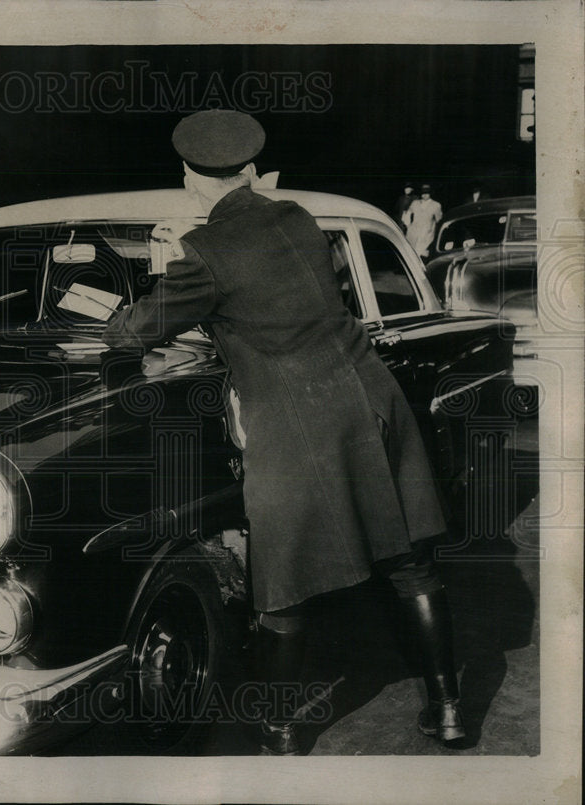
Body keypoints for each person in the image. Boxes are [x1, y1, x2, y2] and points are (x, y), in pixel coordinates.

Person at [102, 110, 465, 755]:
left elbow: (138, 331)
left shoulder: (204, 253)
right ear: (249, 172)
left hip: (300, 424)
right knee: (411, 564)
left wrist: (132, 297)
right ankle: (449, 710)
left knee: (283, 585)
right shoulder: (298, 218)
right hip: (370, 399)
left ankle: (281, 728)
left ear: (191, 179)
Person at [402, 183, 443, 259]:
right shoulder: (415, 203)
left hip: (426, 236)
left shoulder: (436, 205)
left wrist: (432, 231)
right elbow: (407, 215)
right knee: (411, 256)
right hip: (413, 234)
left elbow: (439, 220)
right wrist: (408, 226)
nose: (425, 195)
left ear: (430, 193)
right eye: (423, 193)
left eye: (427, 193)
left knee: (423, 257)